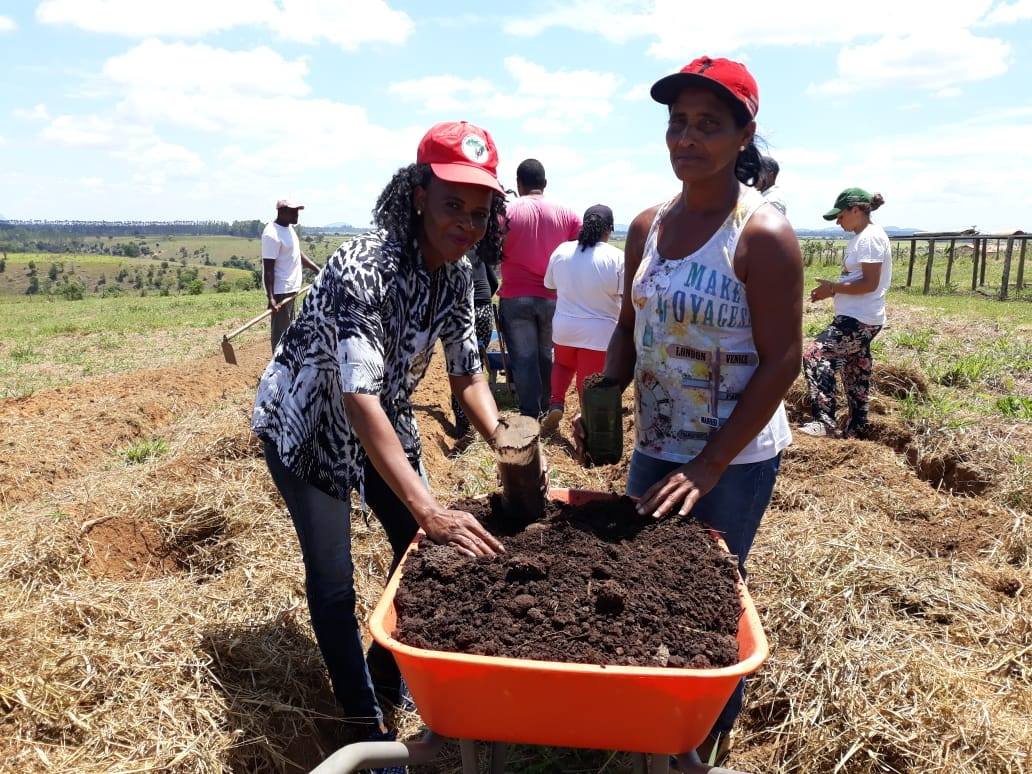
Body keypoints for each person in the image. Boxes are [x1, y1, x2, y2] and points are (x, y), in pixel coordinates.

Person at [251, 121, 508, 760]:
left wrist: (512, 445)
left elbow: (468, 372)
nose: (467, 225)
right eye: (454, 206)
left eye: (479, 214)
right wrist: (427, 505)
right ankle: (363, 725)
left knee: (415, 556)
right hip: (311, 423)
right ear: (419, 192)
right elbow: (356, 397)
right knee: (336, 578)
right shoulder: (362, 264)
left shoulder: (457, 272)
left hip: (385, 419)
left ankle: (388, 673)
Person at [574, 56, 803, 765]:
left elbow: (783, 362)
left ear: (744, 135)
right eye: (677, 123)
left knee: (711, 600)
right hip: (659, 446)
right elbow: (627, 327)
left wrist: (709, 465)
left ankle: (700, 736)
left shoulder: (760, 236)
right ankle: (649, 721)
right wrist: (607, 391)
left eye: (707, 124)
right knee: (644, 588)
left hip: (731, 460)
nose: (686, 139)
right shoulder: (648, 225)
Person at [801, 188, 890, 439]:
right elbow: (859, 280)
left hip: (859, 319)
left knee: (815, 355)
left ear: (856, 210)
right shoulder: (864, 236)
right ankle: (857, 430)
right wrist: (832, 291)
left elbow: (870, 283)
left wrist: (833, 288)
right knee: (855, 370)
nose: (838, 222)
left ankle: (825, 421)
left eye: (840, 216)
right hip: (862, 315)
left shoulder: (869, 239)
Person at [497, 159, 582, 419]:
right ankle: (548, 407)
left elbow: (491, 247)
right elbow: (580, 249)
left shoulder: (507, 212)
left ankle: (529, 414)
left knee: (523, 358)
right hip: (553, 297)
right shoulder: (567, 214)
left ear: (518, 184)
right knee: (547, 355)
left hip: (515, 295)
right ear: (544, 184)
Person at [540, 203, 624, 432]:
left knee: (563, 364)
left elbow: (549, 285)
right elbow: (626, 295)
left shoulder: (562, 251)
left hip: (564, 328)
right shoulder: (616, 257)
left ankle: (556, 402)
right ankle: (585, 419)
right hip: (599, 333)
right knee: (588, 379)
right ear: (609, 229)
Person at [261, 199, 321, 352]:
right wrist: (272, 297)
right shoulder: (271, 234)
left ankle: (288, 366)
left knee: (290, 331)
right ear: (281, 212)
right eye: (293, 211)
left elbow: (297, 254)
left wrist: (318, 270)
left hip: (292, 288)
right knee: (281, 334)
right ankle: (276, 370)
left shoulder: (289, 229)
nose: (297, 215)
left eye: (297, 211)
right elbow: (268, 268)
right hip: (281, 291)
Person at [451, 249, 499, 437]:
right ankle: (481, 416)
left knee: (460, 367)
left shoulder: (451, 251)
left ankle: (464, 423)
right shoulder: (479, 251)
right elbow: (493, 282)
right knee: (476, 364)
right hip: (483, 308)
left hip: (461, 309)